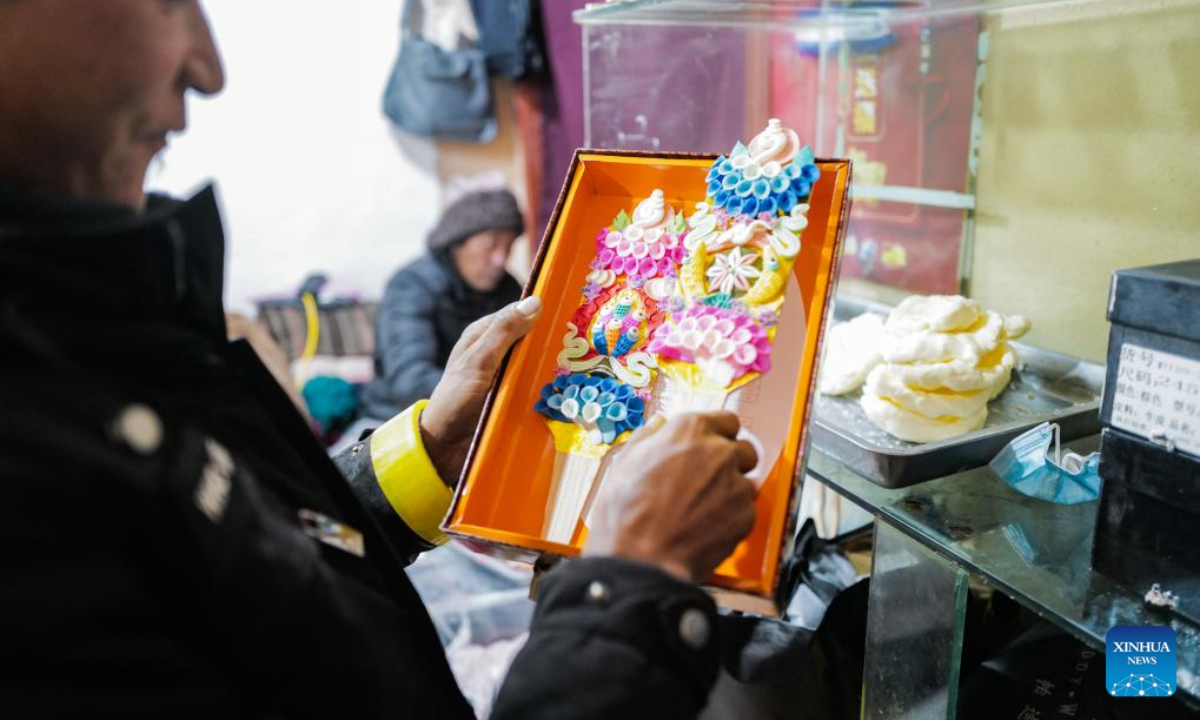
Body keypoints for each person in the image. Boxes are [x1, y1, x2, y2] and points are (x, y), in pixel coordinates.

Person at [0, 2, 758, 718]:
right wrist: (632, 581)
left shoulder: (84, 319)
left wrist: (426, 450)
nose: (208, 67)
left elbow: (262, 581)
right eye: (167, 3)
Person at [358, 189, 524, 421]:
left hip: (478, 414)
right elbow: (410, 380)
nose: (500, 259)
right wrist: (493, 396)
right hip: (394, 419)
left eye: (508, 247)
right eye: (490, 245)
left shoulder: (507, 288)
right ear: (457, 243)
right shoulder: (411, 286)